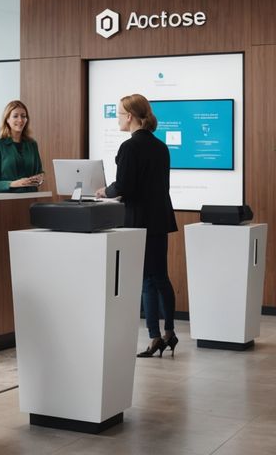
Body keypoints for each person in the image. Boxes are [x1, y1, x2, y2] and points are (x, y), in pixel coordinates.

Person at [95, 93, 179, 358]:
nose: (118, 120)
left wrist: (103, 191)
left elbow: (125, 187)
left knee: (145, 280)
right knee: (160, 277)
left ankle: (154, 337)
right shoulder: (160, 146)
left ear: (130, 116)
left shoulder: (129, 147)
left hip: (139, 220)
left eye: (119, 114)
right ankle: (168, 332)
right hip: (160, 218)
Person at [0, 100, 45, 192]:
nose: (20, 120)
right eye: (15, 116)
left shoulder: (32, 144)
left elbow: (39, 172)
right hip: (7, 201)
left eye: (23, 116)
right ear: (7, 119)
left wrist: (40, 177)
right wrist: (15, 183)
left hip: (31, 198)